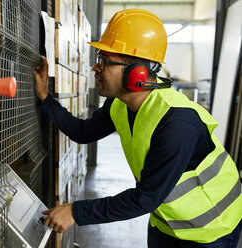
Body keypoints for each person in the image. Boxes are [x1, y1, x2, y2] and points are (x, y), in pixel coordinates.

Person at [34, 8, 242, 248]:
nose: (96, 68)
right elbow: (83, 133)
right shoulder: (119, 104)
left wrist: (76, 211)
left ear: (137, 73)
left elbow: (145, 198)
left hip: (210, 230)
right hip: (166, 221)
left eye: (104, 61)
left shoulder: (177, 123)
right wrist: (45, 98)